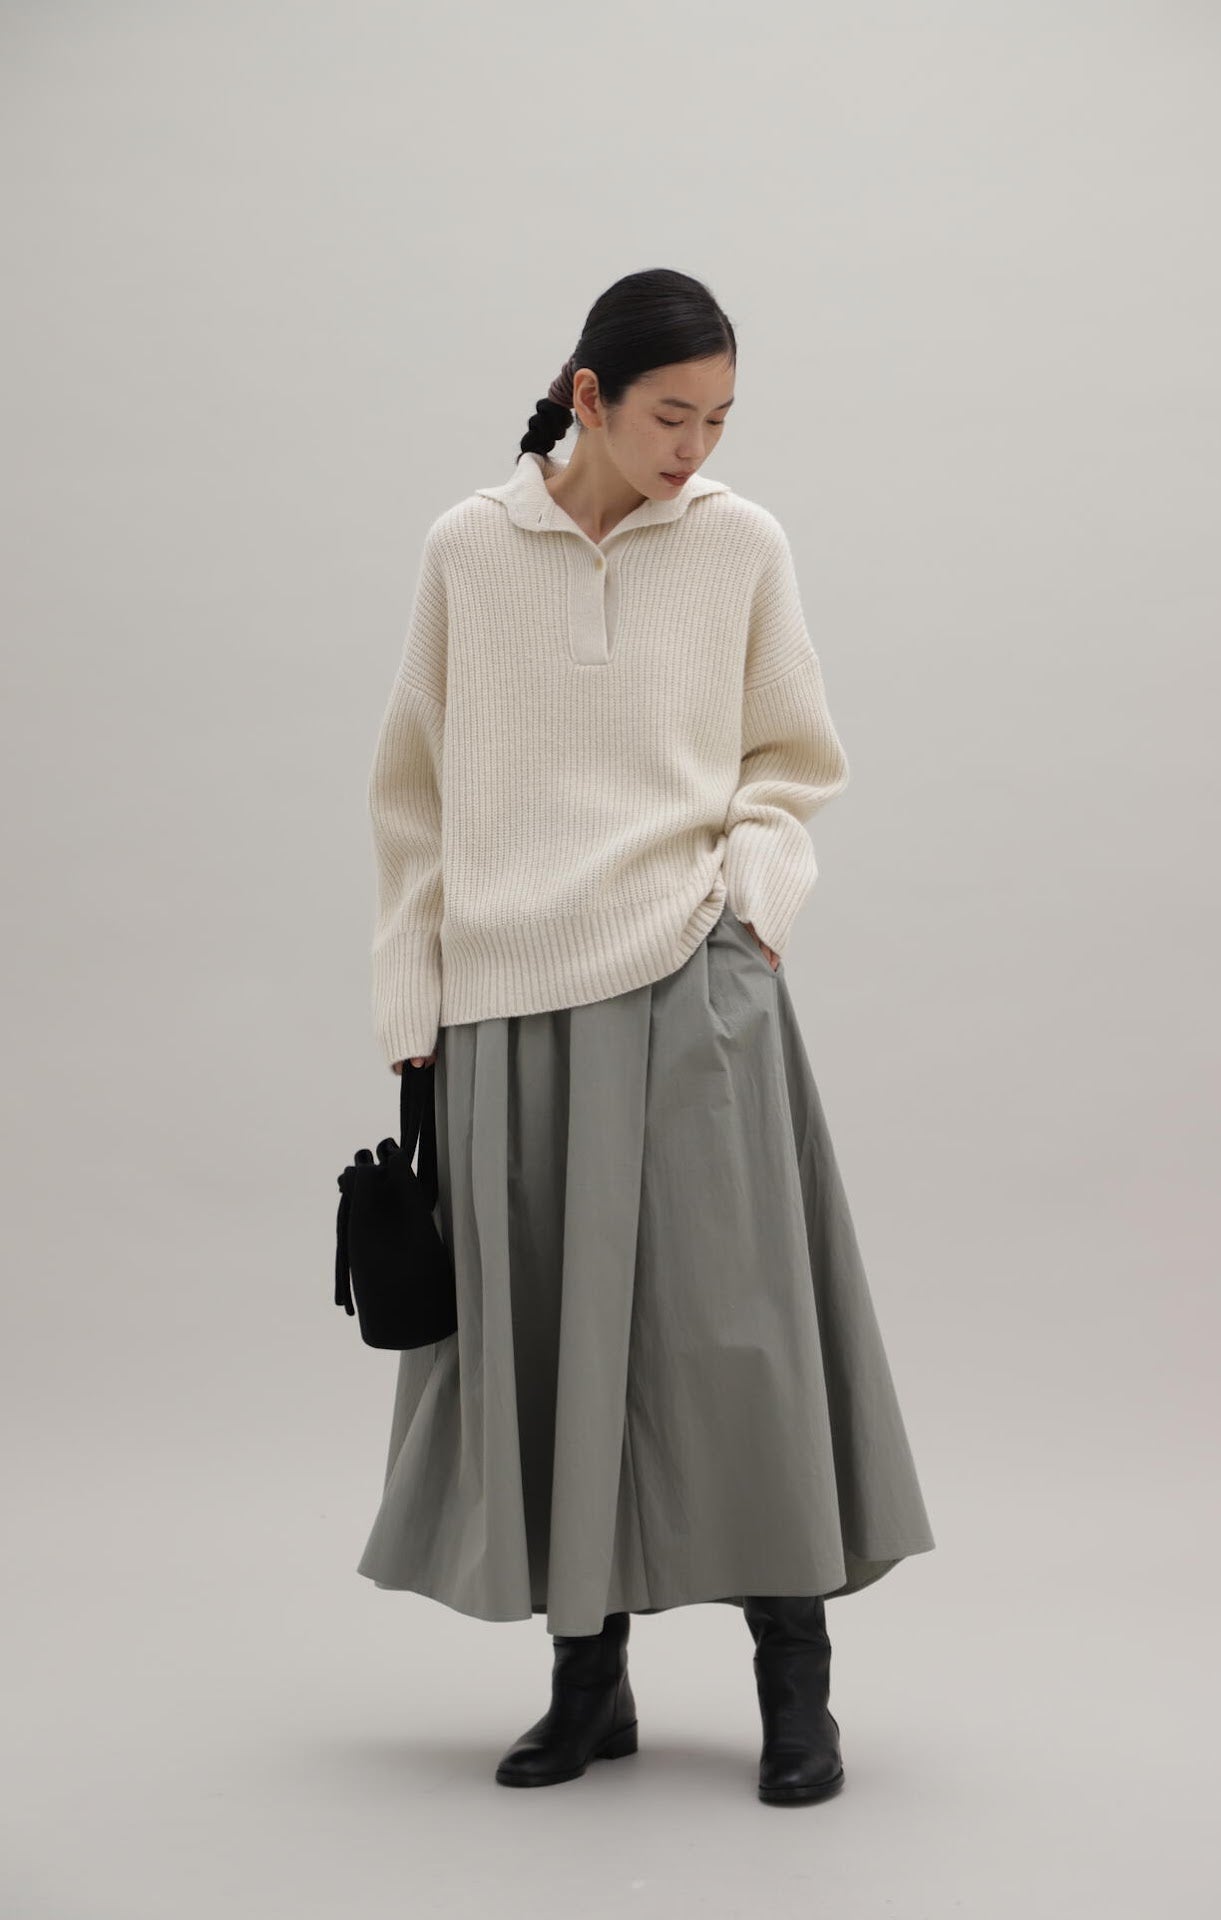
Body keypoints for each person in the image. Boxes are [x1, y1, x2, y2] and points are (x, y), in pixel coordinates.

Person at [354, 267, 935, 1805]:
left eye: (719, 418)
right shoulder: (467, 551)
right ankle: (585, 1684)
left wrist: (751, 907)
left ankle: (794, 1687)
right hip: (503, 1004)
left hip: (688, 976)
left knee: (738, 1342)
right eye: (671, 415)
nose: (695, 447)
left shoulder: (739, 544)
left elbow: (789, 757)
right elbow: (409, 794)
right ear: (587, 397)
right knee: (550, 1349)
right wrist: (411, 1005)